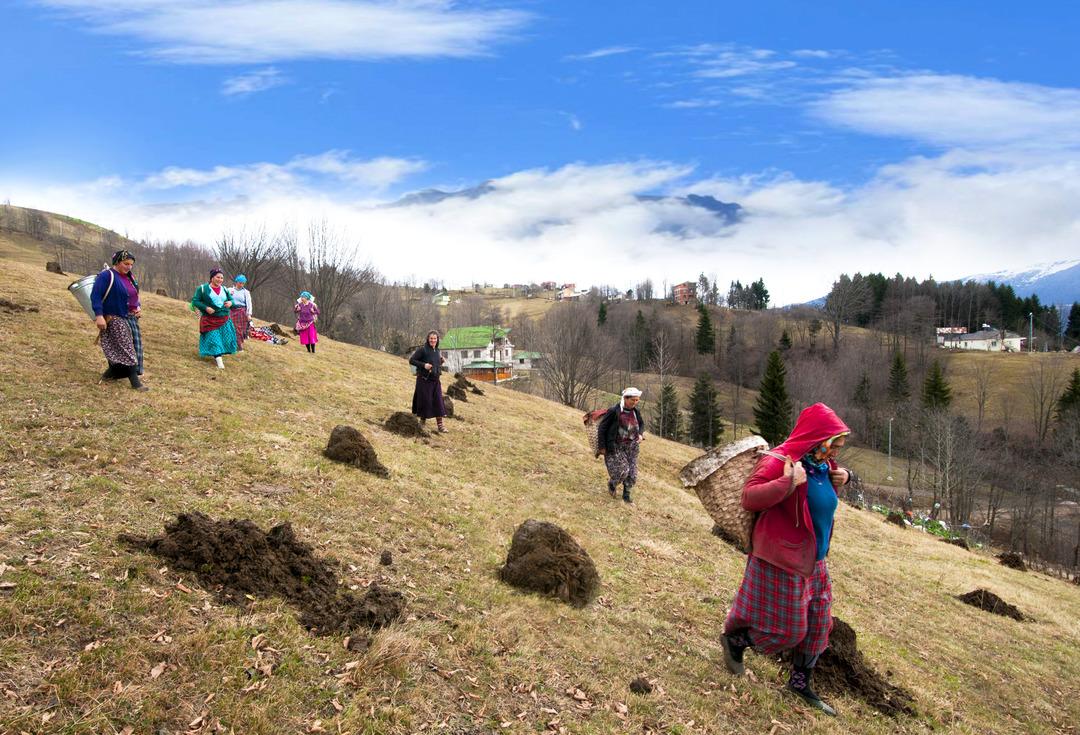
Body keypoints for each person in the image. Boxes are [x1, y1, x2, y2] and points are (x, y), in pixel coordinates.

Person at [719, 403, 852, 716]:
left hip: (814, 561)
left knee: (820, 626)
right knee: (789, 631)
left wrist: (845, 477)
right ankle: (737, 641)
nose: (834, 451)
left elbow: (819, 500)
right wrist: (787, 482)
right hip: (781, 558)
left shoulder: (823, 466)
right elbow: (750, 497)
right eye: (832, 443)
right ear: (817, 438)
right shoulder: (782, 459)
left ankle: (800, 683)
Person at [90, 249, 149, 391]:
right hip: (114, 318)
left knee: (133, 348)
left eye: (131, 264)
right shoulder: (106, 276)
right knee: (127, 349)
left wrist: (137, 307)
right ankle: (136, 383)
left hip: (130, 318)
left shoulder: (130, 277)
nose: (129, 267)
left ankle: (110, 375)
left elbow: (134, 296)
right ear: (117, 262)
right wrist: (99, 316)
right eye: (126, 263)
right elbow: (95, 296)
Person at [596, 387, 645, 503]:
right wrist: (602, 447)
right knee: (622, 471)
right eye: (633, 400)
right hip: (616, 446)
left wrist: (641, 434)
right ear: (625, 398)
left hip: (632, 447)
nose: (635, 402)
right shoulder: (614, 411)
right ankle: (612, 484)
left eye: (637, 400)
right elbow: (602, 428)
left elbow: (641, 424)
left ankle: (626, 496)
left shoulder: (635, 412)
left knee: (632, 474)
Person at [191, 268, 237, 369]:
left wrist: (230, 303)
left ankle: (218, 355)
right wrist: (206, 308)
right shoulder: (202, 289)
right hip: (209, 320)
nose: (220, 280)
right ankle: (220, 364)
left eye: (222, 278)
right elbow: (195, 301)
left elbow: (232, 301)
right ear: (212, 278)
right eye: (218, 277)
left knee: (225, 340)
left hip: (224, 319)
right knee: (214, 339)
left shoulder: (225, 289)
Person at [409, 330, 448, 433]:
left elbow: (434, 363)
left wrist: (441, 362)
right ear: (428, 339)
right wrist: (424, 365)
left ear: (437, 339)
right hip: (424, 380)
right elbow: (411, 360)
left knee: (438, 402)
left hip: (435, 380)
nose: (433, 340)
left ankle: (440, 426)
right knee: (424, 402)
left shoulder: (437, 350)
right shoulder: (423, 350)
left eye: (435, 338)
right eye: (431, 338)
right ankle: (422, 423)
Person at [229, 274, 252, 351]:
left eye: (243, 283)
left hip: (241, 312)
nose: (241, 284)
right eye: (240, 282)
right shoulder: (230, 290)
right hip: (231, 311)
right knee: (230, 327)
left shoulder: (246, 292)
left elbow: (249, 303)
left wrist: (249, 314)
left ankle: (239, 346)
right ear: (236, 282)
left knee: (239, 329)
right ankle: (231, 344)